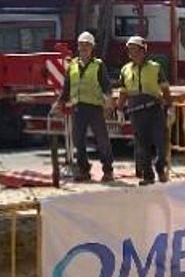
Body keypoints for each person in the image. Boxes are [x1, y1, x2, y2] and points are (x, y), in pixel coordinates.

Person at [59, 31, 115, 182]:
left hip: (95, 107)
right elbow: (67, 87)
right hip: (78, 107)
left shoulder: (98, 65)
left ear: (92, 47)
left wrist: (109, 103)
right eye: (81, 45)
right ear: (78, 47)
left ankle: (108, 170)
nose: (83, 48)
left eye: (86, 45)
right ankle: (84, 170)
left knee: (102, 140)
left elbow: (106, 86)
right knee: (78, 140)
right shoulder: (72, 65)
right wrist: (60, 103)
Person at [118, 35, 170, 185]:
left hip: (154, 110)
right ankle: (148, 176)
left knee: (161, 141)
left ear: (143, 51)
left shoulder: (155, 67)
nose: (132, 53)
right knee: (142, 145)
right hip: (136, 111)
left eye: (135, 50)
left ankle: (160, 166)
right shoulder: (125, 70)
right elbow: (123, 91)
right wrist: (120, 109)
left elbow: (165, 89)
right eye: (130, 50)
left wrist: (170, 106)